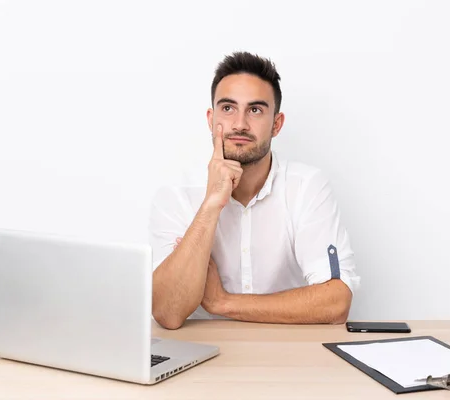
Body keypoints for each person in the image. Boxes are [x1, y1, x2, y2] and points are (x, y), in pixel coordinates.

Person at [149, 51, 360, 329]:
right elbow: (166, 312)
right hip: (200, 355)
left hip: (288, 354)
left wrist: (223, 302)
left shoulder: (307, 187)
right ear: (211, 119)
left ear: (276, 124)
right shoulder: (176, 195)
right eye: (228, 108)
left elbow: (335, 304)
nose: (239, 124)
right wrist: (211, 205)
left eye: (255, 110)